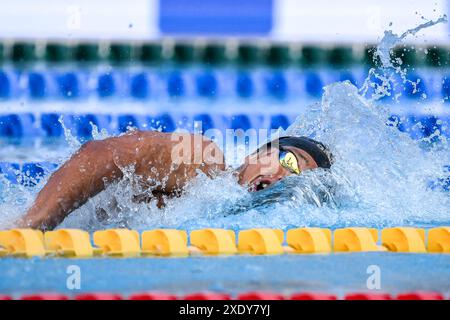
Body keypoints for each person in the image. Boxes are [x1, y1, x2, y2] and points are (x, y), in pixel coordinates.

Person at [17, 130, 333, 230]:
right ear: (257, 153)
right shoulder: (206, 162)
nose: (282, 178)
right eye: (289, 161)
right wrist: (31, 225)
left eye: (297, 181)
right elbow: (104, 154)